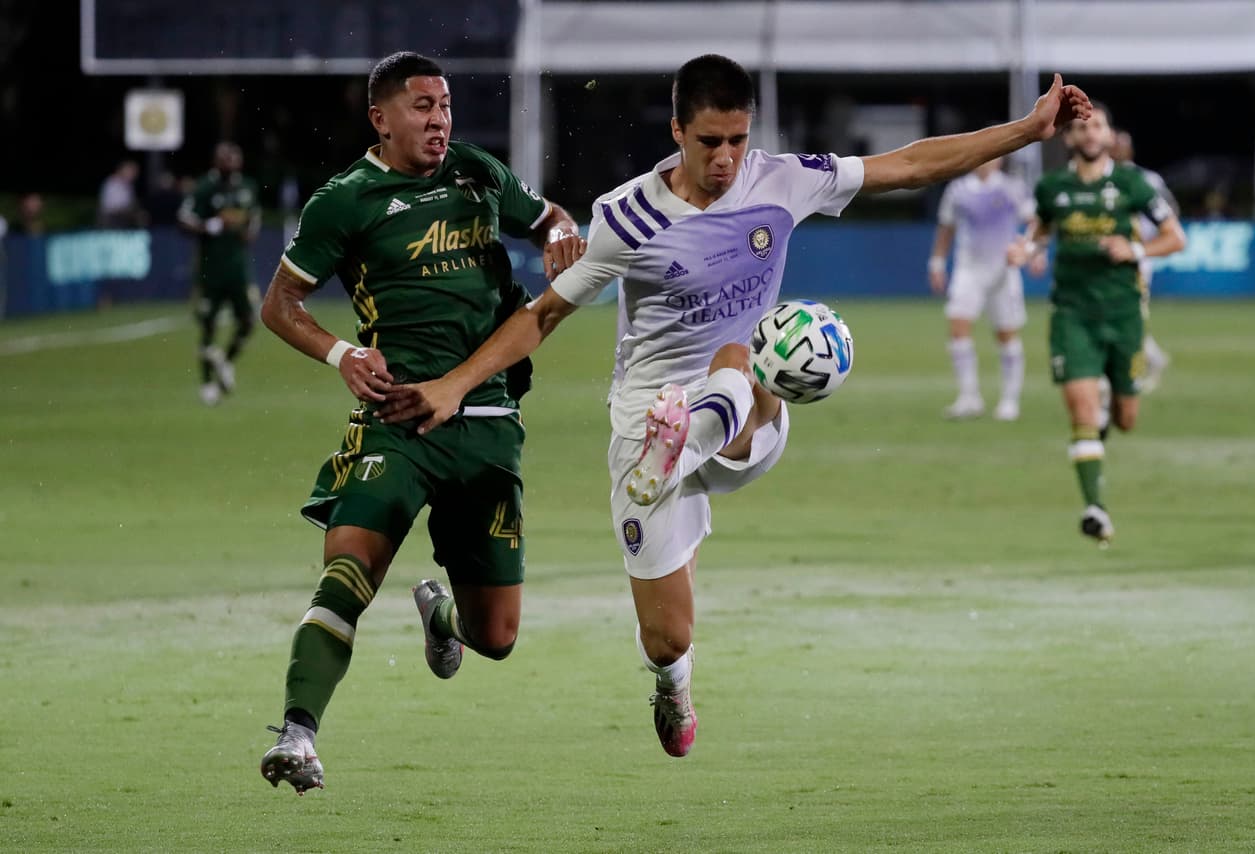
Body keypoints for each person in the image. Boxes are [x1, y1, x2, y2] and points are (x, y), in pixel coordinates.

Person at [374, 54, 1091, 757]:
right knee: (669, 638)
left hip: (741, 414)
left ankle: (688, 438)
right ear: (678, 132)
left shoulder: (782, 181)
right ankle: (664, 682)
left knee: (746, 354)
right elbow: (542, 315)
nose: (726, 157)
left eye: (738, 140)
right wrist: (454, 384)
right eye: (710, 141)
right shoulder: (624, 217)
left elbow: (908, 165)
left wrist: (1027, 131)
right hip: (646, 417)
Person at [256, 51, 581, 795]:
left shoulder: (477, 172)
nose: (440, 121)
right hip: (396, 419)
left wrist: (560, 228)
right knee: (348, 569)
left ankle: (442, 619)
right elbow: (279, 305)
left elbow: (549, 218)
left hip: (489, 417)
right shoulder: (345, 202)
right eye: (422, 107)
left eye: (445, 106)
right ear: (381, 118)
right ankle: (299, 735)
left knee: (495, 637)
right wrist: (341, 353)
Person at [1007, 105, 1185, 545]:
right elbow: (1038, 231)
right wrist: (1025, 249)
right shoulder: (1052, 188)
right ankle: (1095, 509)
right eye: (1082, 127)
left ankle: (1112, 408)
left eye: (1098, 126)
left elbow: (1175, 237)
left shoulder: (1132, 185)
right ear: (1068, 139)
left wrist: (1135, 250)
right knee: (1081, 413)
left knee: (1126, 419)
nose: (1090, 134)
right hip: (1072, 313)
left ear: (1109, 135)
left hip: (1124, 313)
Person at [927, 155, 1040, 421]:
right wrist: (937, 262)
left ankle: (1009, 401)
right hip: (969, 268)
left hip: (1004, 270)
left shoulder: (1012, 187)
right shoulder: (958, 189)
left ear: (1000, 161)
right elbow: (947, 226)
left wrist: (1033, 251)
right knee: (957, 328)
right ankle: (969, 397)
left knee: (1006, 334)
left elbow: (1035, 221)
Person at [178, 143, 262, 406]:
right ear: (216, 161)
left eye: (234, 158)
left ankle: (225, 361)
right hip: (210, 270)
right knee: (208, 325)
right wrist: (208, 226)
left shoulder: (246, 187)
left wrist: (249, 230)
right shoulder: (205, 188)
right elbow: (183, 219)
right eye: (225, 159)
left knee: (248, 321)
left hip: (237, 269)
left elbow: (253, 218)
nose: (231, 163)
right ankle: (206, 383)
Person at [1111, 129, 1177, 393]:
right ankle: (1149, 357)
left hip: (1138, 255)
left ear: (1130, 150)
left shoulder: (1146, 179)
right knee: (1116, 313)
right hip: (1109, 254)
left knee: (1126, 312)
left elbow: (1170, 211)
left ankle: (1137, 366)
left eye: (1122, 145)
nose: (1117, 149)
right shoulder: (1101, 176)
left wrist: (1149, 239)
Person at [97, 160, 146, 228]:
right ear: (122, 170)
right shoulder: (112, 183)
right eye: (132, 171)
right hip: (112, 218)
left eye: (135, 172)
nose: (135, 175)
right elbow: (115, 207)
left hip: (124, 217)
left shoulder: (128, 185)